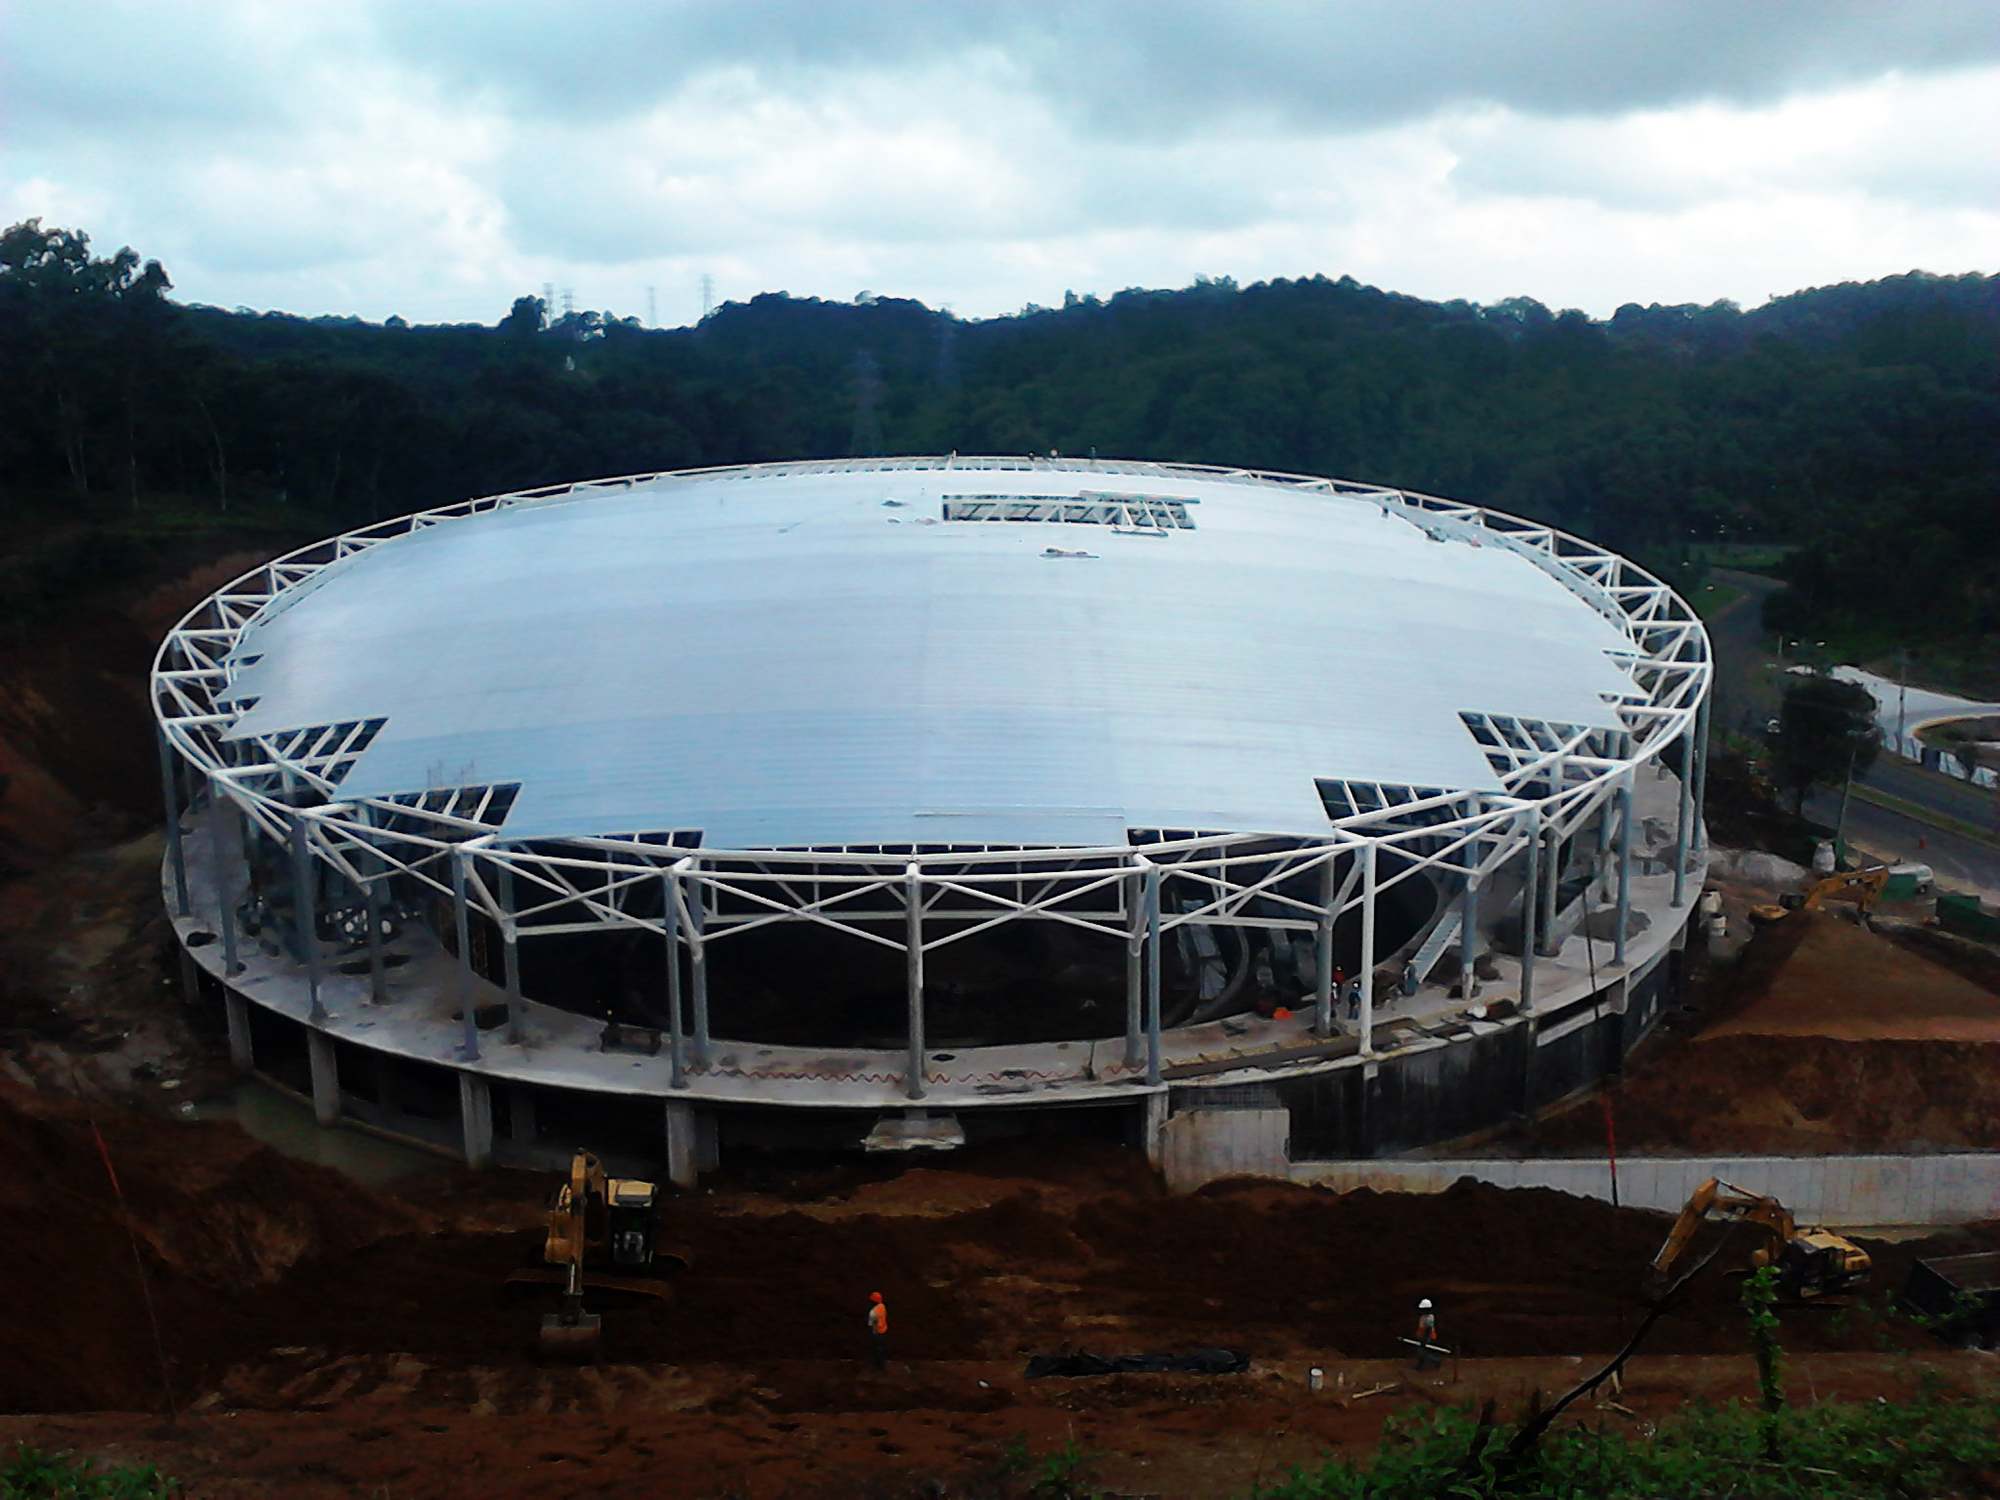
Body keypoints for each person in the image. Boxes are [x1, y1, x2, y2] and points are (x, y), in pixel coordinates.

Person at [1412, 1297, 1441, 1371]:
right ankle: (1419, 1366)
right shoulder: (1423, 1317)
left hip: (1427, 1337)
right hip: (1422, 1336)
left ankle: (1436, 1360)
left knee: (1422, 1352)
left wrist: (1425, 1339)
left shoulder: (1429, 1318)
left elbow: (1428, 1329)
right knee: (1422, 1352)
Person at [866, 1291, 888, 1369]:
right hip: (884, 1330)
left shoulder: (873, 1312)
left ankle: (879, 1365)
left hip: (877, 1333)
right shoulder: (882, 1306)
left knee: (877, 1349)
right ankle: (882, 1363)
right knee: (882, 1348)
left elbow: (870, 1324)